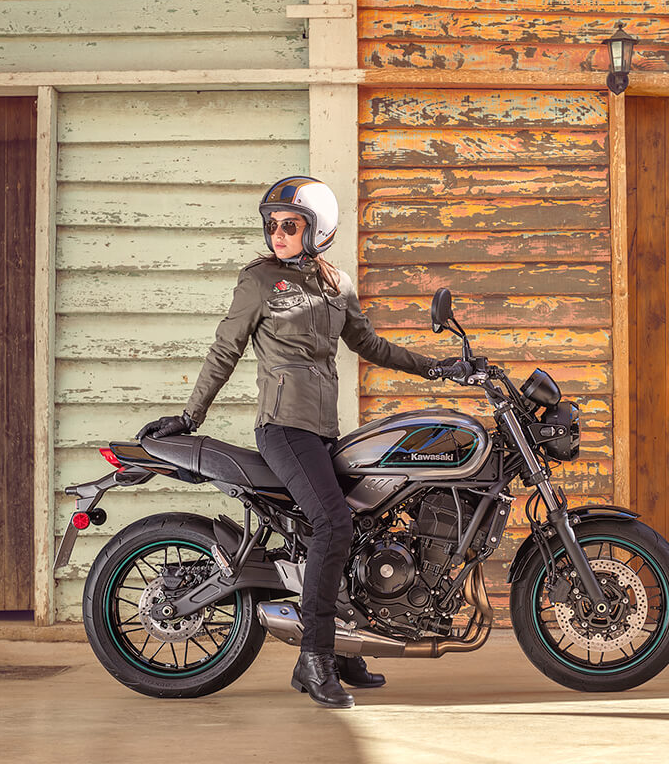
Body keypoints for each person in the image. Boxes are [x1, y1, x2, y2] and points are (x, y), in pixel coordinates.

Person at [137, 176, 443, 709]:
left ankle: (342, 648)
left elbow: (370, 345)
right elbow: (225, 350)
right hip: (282, 428)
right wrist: (189, 416)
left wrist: (437, 368)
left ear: (317, 230)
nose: (278, 234)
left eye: (290, 225)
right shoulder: (259, 281)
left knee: (359, 526)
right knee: (333, 524)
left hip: (324, 432)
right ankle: (314, 657)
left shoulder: (337, 285)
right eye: (273, 224)